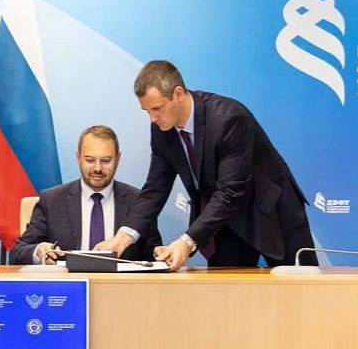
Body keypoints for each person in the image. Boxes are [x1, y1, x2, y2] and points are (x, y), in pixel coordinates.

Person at [98, 60, 315, 270]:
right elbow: (156, 188)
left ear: (178, 94)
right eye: (147, 111)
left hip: (271, 211)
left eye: (157, 108)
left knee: (302, 288)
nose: (152, 118)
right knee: (224, 290)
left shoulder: (229, 118)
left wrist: (186, 242)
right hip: (223, 219)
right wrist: (124, 237)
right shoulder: (162, 128)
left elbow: (230, 191)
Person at [10, 125, 161, 265]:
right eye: (90, 160)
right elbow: (18, 253)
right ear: (78, 158)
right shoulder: (51, 201)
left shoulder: (140, 202)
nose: (97, 168)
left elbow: (154, 257)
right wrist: (39, 251)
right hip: (70, 283)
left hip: (122, 284)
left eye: (106, 161)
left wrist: (162, 254)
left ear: (118, 159)